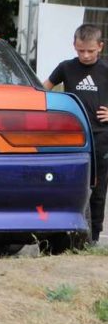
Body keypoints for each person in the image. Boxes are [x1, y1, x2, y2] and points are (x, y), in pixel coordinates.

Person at [44, 23, 108, 242]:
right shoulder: (65, 67)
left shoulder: (106, 70)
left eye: (91, 50)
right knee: (67, 183)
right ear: (74, 45)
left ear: (100, 46)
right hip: (72, 137)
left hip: (101, 137)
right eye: (81, 50)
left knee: (98, 189)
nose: (86, 55)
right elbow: (44, 90)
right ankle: (63, 230)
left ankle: (94, 235)